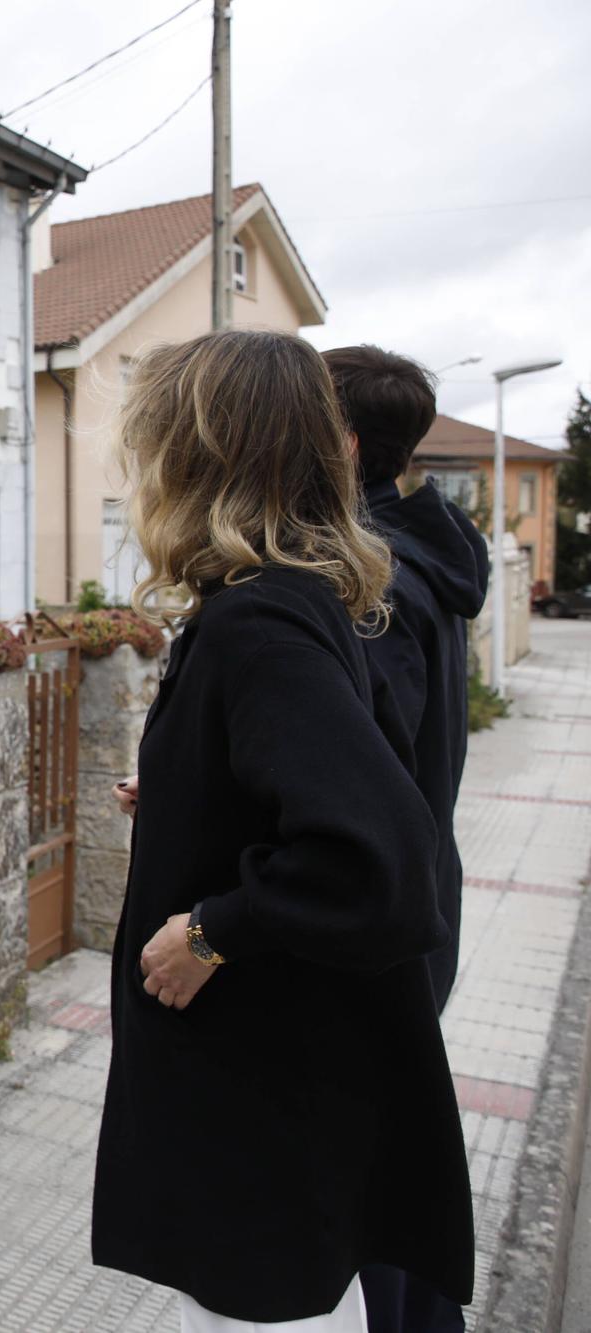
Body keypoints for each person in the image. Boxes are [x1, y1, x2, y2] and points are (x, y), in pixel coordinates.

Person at [91, 330, 473, 1332]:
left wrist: (213, 930)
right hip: (268, 1105)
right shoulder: (282, 602)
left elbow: (372, 856)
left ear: (204, 457)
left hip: (261, 1123)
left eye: (150, 444)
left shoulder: (256, 622)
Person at [324, 346, 488, 1333]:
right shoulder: (422, 553)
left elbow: (359, 790)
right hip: (417, 904)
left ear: (338, 443)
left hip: (376, 924)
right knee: (393, 1148)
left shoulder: (374, 585)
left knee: (368, 1175)